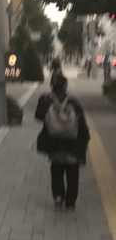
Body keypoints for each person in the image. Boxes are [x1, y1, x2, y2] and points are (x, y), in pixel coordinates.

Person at [35, 73, 89, 209]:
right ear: (65, 85)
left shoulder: (45, 99)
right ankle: (70, 202)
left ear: (51, 85)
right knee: (73, 172)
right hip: (72, 143)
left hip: (54, 141)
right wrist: (84, 141)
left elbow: (38, 117)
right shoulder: (74, 102)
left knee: (56, 170)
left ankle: (58, 196)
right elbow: (82, 125)